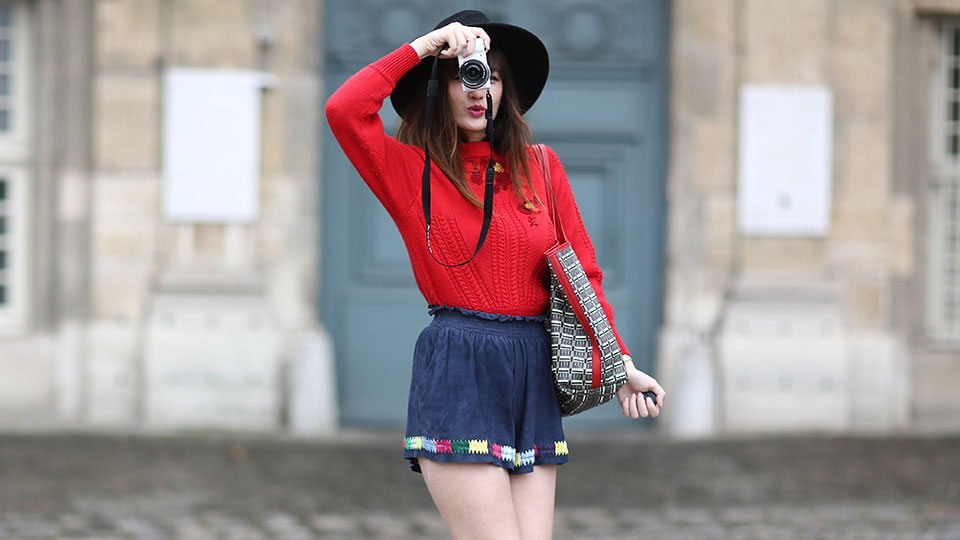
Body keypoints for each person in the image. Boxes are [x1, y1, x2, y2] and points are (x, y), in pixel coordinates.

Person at [325, 10, 666, 540]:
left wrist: (619, 364)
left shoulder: (542, 166)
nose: (480, 89)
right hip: (460, 366)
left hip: (532, 371)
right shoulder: (410, 171)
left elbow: (583, 272)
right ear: (440, 87)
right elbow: (344, 110)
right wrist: (426, 47)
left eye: (492, 75)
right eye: (464, 74)